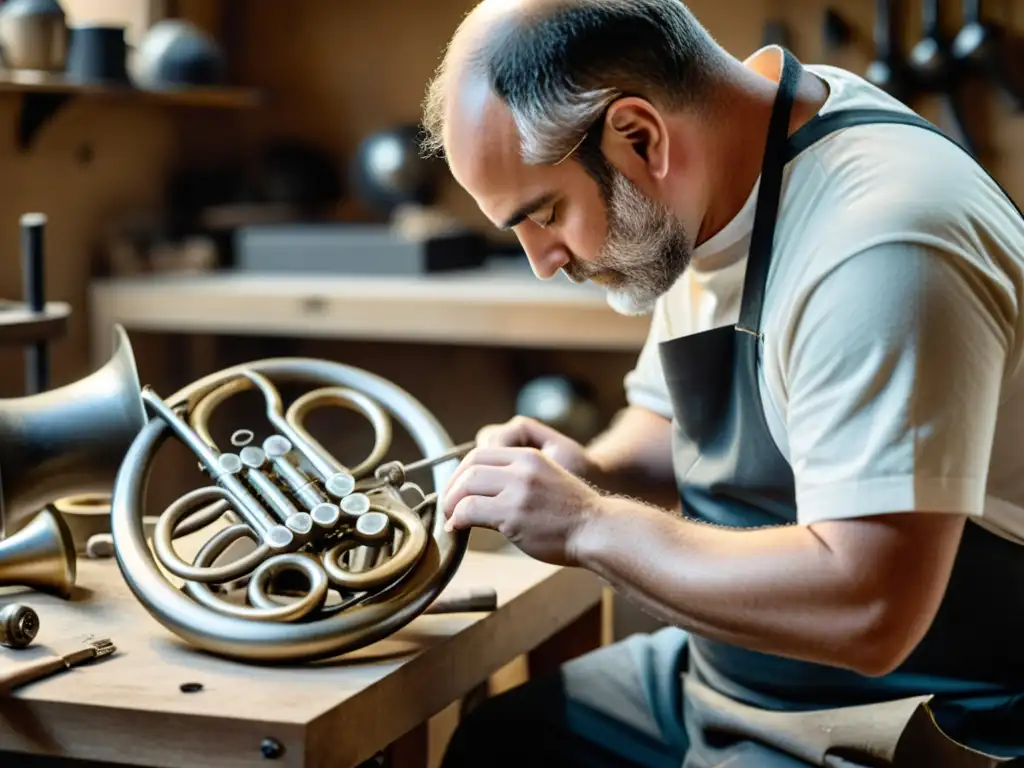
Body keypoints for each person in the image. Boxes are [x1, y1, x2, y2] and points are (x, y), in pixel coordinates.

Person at [420, 1, 1024, 766]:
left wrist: (587, 524)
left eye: (544, 214)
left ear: (638, 137)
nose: (543, 260)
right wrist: (593, 471)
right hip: (728, 676)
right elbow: (670, 424)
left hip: (902, 710)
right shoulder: (714, 178)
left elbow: (870, 608)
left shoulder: (880, 244)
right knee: (499, 746)